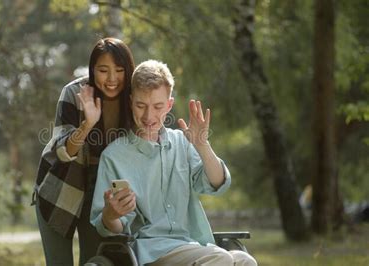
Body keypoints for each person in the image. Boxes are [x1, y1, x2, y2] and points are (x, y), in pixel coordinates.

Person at [90, 60, 257, 265]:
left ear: (169, 105)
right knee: (220, 258)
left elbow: (217, 184)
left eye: (158, 106)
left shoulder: (182, 143)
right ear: (131, 102)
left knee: (244, 260)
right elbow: (109, 227)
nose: (149, 116)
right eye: (141, 105)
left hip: (192, 245)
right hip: (150, 252)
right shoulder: (114, 156)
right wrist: (111, 213)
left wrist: (202, 146)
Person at [32, 37, 135, 265]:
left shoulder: (134, 99)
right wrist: (88, 124)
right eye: (103, 70)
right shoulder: (74, 93)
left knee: (94, 261)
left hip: (101, 199)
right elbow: (62, 151)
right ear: (92, 69)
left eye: (119, 70)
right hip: (60, 192)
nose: (112, 79)